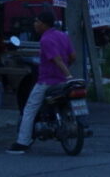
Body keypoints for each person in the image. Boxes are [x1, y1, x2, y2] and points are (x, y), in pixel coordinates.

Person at [8, 11, 75, 154]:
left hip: (47, 81)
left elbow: (56, 60)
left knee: (29, 109)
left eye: (37, 21)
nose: (35, 24)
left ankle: (22, 142)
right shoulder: (63, 36)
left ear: (44, 24)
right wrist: (67, 73)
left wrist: (68, 74)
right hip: (62, 81)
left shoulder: (45, 40)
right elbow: (72, 56)